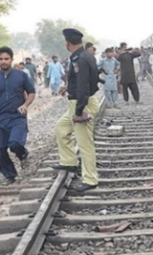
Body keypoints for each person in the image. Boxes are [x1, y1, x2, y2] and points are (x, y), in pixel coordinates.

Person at [52, 28, 100, 192]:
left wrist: (79, 113)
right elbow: (84, 81)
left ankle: (90, 179)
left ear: (67, 43)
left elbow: (83, 87)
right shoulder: (86, 55)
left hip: (82, 104)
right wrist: (68, 87)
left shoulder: (79, 59)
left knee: (85, 144)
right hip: (77, 102)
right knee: (61, 128)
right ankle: (69, 162)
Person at [0, 47, 35, 184]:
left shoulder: (21, 75)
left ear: (11, 59)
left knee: (15, 143)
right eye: (1, 59)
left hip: (17, 116)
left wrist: (25, 105)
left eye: (6, 59)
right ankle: (10, 175)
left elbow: (32, 93)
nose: (3, 62)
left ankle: (23, 155)